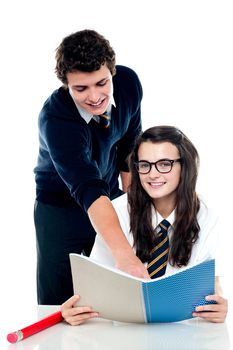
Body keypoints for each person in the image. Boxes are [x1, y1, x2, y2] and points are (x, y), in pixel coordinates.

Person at [61, 125, 228, 324]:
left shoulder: (206, 216)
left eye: (164, 164)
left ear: (185, 166)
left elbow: (208, 282)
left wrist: (218, 306)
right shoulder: (117, 212)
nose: (153, 174)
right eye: (145, 165)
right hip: (123, 327)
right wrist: (76, 310)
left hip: (179, 330)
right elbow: (95, 284)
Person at [34, 29, 149, 305]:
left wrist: (136, 209)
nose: (95, 96)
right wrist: (124, 254)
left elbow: (129, 147)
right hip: (60, 208)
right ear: (66, 85)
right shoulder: (56, 118)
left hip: (108, 193)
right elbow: (86, 185)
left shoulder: (129, 84)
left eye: (102, 83)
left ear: (112, 72)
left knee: (114, 291)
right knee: (60, 301)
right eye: (81, 88)